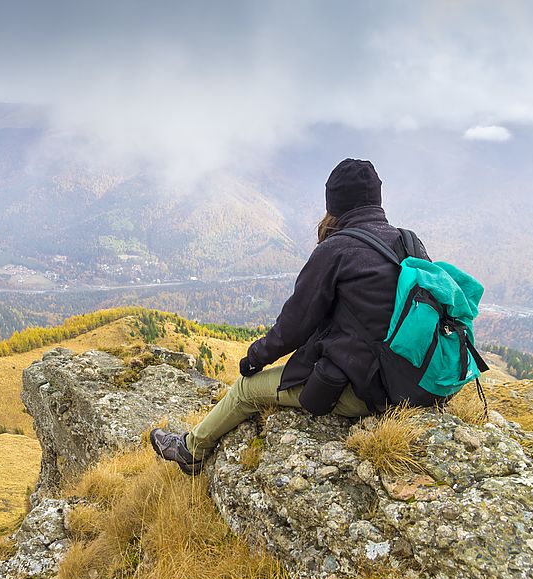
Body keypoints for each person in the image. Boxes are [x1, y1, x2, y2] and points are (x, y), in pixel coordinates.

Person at [150, 158, 428, 474]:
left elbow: (294, 325)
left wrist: (254, 359)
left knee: (244, 391)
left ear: (334, 204)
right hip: (415, 386)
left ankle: (190, 450)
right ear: (376, 198)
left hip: (367, 392)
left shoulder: (337, 249)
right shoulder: (408, 242)